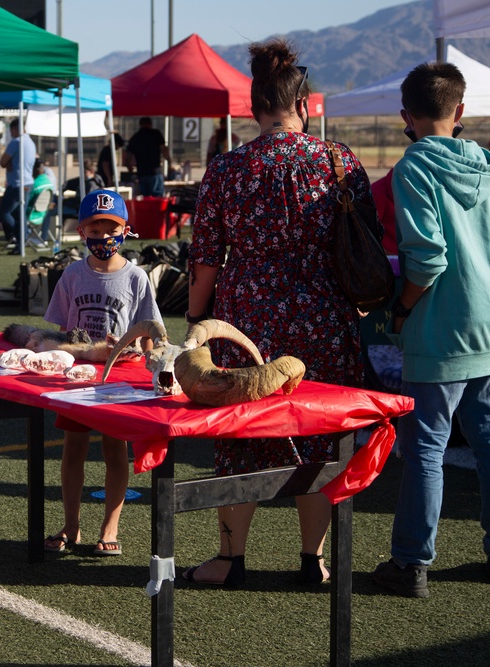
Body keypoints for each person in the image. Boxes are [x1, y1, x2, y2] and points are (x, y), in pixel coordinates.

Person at [183, 39, 370, 587]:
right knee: (321, 435)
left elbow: (206, 261)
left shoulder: (226, 169)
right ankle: (313, 560)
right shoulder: (338, 161)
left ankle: (229, 559)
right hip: (324, 315)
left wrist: (196, 322)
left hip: (246, 321)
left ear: (255, 107)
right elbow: (361, 243)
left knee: (242, 435)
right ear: (304, 104)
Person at [372, 61, 490, 599]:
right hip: (488, 324)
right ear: (461, 110)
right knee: (487, 442)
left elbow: (427, 258)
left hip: (440, 329)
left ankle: (411, 563)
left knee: (425, 448)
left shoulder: (413, 167)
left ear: (406, 116)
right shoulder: (486, 164)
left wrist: (401, 310)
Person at [42, 190, 160, 556]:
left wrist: (141, 359)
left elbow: (151, 337)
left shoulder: (137, 277)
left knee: (114, 449)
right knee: (73, 448)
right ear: (81, 231)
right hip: (77, 379)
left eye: (111, 227)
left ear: (126, 230)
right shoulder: (73, 274)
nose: (103, 236)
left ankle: (111, 525)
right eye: (95, 227)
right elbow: (57, 331)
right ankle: (71, 525)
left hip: (119, 380)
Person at [0, 118, 36, 249]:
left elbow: (2, 162)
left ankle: (22, 234)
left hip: (17, 184)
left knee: (3, 213)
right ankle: (20, 243)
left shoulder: (16, 142)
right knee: (20, 215)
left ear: (14, 129)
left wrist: (8, 163)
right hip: (28, 182)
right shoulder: (30, 142)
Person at [125, 117, 171, 198]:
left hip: (142, 172)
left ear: (140, 124)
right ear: (150, 124)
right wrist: (169, 162)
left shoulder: (135, 137)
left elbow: (128, 156)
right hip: (154, 171)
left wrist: (129, 167)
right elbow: (164, 149)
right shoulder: (156, 134)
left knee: (145, 197)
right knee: (157, 197)